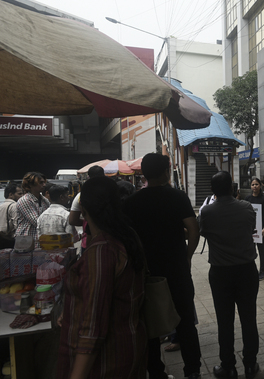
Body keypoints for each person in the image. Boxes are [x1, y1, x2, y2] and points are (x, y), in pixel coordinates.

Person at [56, 176, 147, 378]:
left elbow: (93, 329)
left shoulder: (101, 252)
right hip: (129, 345)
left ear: (84, 210)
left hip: (106, 361)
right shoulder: (127, 235)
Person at [123, 153, 202, 379]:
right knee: (185, 321)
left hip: (145, 273)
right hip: (176, 269)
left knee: (148, 324)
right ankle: (193, 371)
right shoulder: (177, 197)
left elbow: (127, 238)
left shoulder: (131, 203)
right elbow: (194, 230)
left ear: (143, 174)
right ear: (167, 170)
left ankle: (156, 372)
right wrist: (187, 257)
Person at [200, 171, 259, 379]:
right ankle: (251, 364)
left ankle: (228, 366)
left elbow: (204, 233)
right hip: (246, 270)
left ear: (212, 191)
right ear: (233, 189)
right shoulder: (247, 207)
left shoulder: (206, 212)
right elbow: (252, 228)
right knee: (249, 319)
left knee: (225, 322)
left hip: (221, 273)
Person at [69, 165, 105, 251]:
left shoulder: (81, 195)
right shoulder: (112, 193)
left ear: (88, 177)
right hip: (111, 241)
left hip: (89, 241)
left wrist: (88, 221)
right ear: (104, 176)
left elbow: (72, 220)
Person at [244, 178, 264, 280]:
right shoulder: (247, 199)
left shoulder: (263, 199)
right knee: (250, 250)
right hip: (250, 229)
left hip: (261, 229)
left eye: (256, 184)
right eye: (252, 184)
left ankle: (262, 271)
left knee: (261, 250)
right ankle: (250, 270)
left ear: (260, 185)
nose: (254, 186)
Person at [16, 172, 50, 248]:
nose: (44, 185)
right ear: (30, 185)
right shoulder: (25, 201)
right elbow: (37, 222)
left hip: (41, 241)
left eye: (44, 182)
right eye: (41, 183)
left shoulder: (44, 200)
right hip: (27, 241)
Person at [0, 183, 23, 248]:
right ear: (11, 195)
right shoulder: (15, 206)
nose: (22, 196)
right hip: (10, 241)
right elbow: (18, 226)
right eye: (19, 194)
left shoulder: (1, 206)